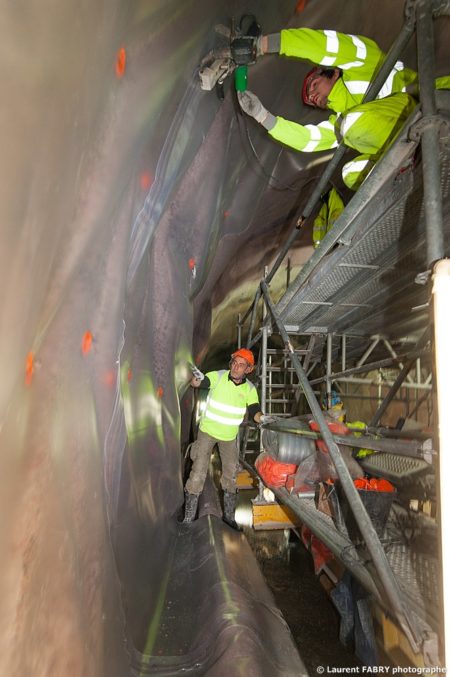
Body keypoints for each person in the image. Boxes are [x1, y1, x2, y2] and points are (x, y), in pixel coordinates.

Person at [235, 28, 449, 191]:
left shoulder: (364, 64)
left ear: (334, 73)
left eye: (314, 86)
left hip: (425, 107)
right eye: (310, 100)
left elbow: (325, 46)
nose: (312, 97)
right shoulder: (341, 119)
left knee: (351, 125)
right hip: (409, 142)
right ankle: (407, 167)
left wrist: (263, 44)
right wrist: (262, 115)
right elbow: (308, 140)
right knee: (350, 174)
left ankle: (411, 158)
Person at [183, 348, 266, 530]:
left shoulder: (250, 389)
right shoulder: (218, 376)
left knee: (230, 475)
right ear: (231, 363)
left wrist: (264, 419)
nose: (236, 367)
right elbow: (200, 383)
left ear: (248, 369)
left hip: (229, 437)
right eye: (235, 362)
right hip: (207, 431)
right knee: (198, 472)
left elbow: (255, 412)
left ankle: (229, 517)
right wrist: (196, 379)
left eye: (241, 364)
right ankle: (188, 517)